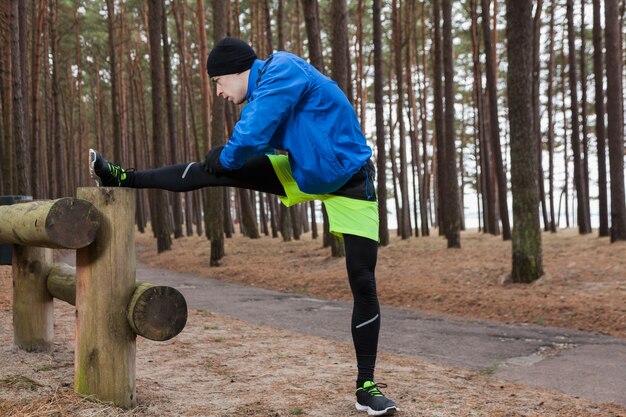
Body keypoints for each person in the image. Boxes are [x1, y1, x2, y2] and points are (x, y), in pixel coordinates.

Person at [89, 37, 398, 416]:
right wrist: (224, 161)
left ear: (239, 71)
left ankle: (366, 387)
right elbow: (253, 136)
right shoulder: (265, 91)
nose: (218, 92)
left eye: (218, 82)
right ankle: (121, 177)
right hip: (303, 172)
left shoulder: (283, 71)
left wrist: (227, 156)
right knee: (212, 172)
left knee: (363, 281)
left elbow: (249, 137)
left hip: (352, 183)